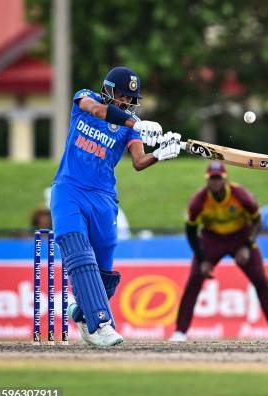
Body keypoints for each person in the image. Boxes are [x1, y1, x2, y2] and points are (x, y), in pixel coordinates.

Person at [51, 66, 181, 347]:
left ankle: (81, 314)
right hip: (69, 190)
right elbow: (96, 110)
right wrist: (135, 124)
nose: (126, 103)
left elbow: (138, 162)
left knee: (105, 273)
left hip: (104, 199)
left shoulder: (128, 126)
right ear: (109, 89)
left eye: (130, 99)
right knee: (78, 252)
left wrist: (159, 154)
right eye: (122, 96)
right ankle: (101, 324)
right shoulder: (85, 99)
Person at [170, 162, 268, 342]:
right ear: (207, 181)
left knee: (261, 281)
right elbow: (191, 232)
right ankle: (180, 332)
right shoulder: (198, 201)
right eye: (212, 179)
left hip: (241, 237)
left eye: (218, 178)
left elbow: (257, 221)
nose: (215, 182)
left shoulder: (241, 196)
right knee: (194, 280)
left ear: (225, 179)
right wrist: (202, 259)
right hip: (211, 239)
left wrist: (247, 246)